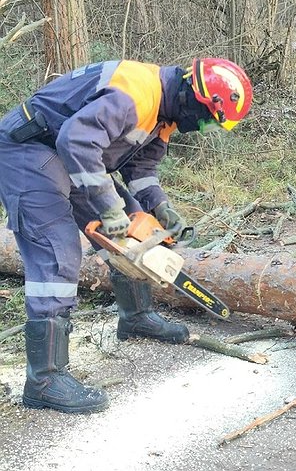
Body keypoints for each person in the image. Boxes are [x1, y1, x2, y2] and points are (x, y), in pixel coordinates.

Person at [0, 58, 253, 413]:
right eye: (209, 119)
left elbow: (142, 169)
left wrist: (160, 208)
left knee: (135, 229)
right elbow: (76, 138)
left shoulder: (164, 115)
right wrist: (108, 206)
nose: (202, 127)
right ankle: (44, 378)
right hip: (30, 150)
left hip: (71, 155)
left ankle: (136, 318)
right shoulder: (138, 92)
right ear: (195, 97)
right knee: (58, 251)